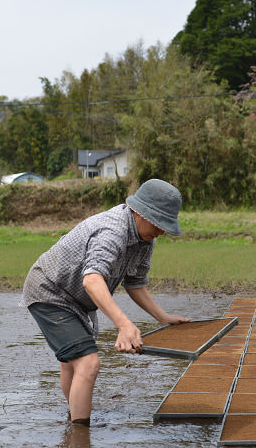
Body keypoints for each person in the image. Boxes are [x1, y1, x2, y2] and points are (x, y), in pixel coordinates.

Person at [22, 179, 190, 426]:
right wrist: (123, 324)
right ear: (139, 213)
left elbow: (135, 283)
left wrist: (162, 317)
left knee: (73, 362)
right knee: (88, 362)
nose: (161, 231)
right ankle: (80, 435)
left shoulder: (145, 239)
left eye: (165, 226)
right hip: (50, 291)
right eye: (158, 223)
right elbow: (92, 280)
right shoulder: (112, 230)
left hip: (77, 299)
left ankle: (74, 420)